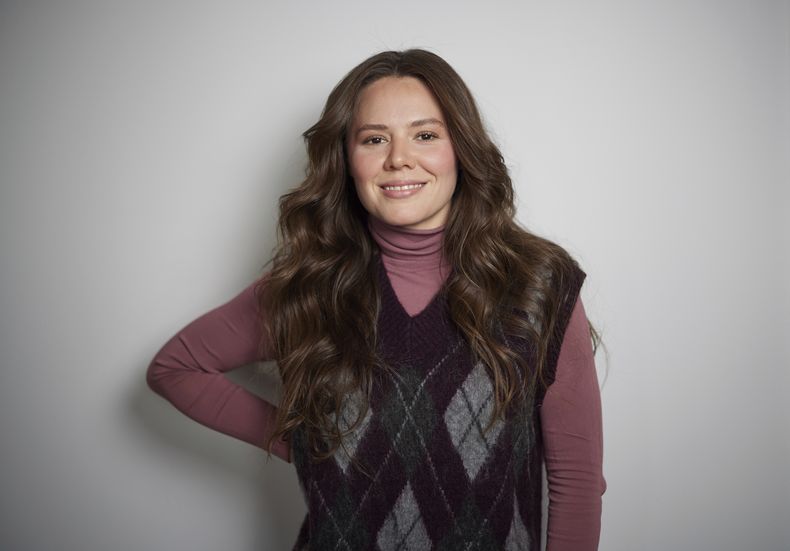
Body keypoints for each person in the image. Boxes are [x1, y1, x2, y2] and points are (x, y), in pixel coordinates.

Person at [147, 48, 605, 550]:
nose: (398, 158)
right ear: (346, 158)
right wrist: (301, 440)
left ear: (462, 150)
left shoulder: (539, 283)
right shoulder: (307, 289)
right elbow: (175, 368)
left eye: (425, 135)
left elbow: (576, 480)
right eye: (374, 139)